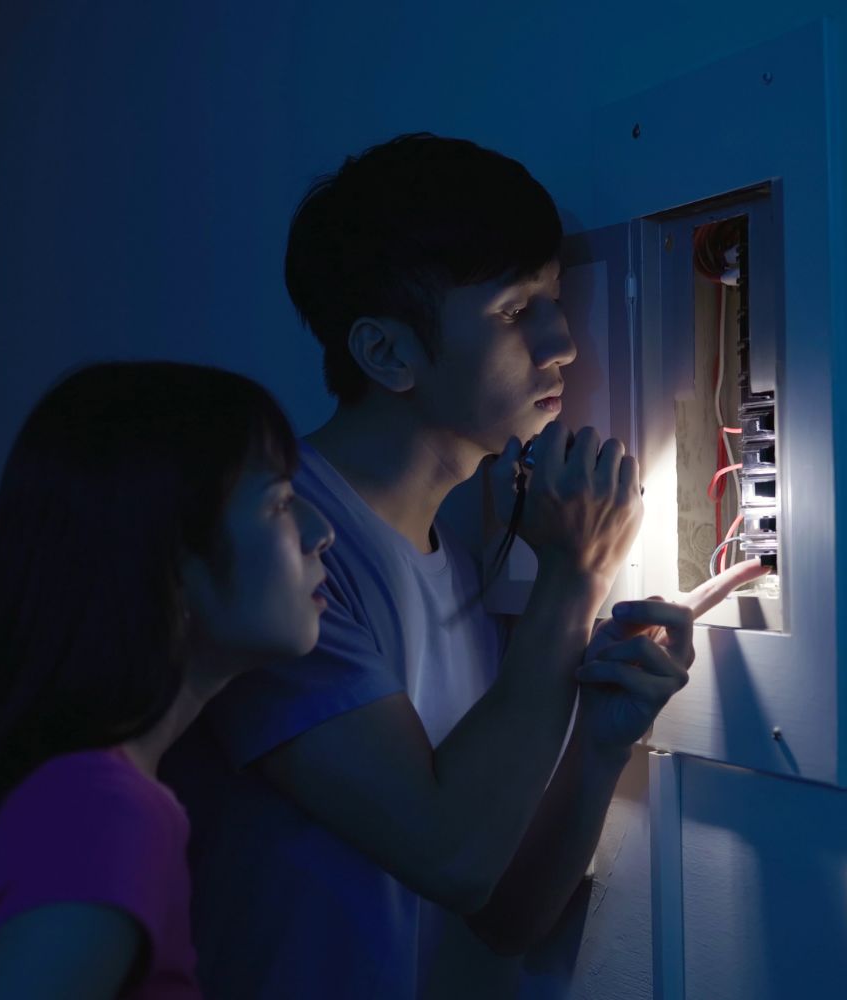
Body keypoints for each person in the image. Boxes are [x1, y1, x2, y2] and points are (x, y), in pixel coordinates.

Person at [163, 133, 769, 998]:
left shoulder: (461, 558)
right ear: (387, 355)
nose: (563, 341)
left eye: (555, 299)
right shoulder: (283, 552)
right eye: (517, 312)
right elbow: (453, 859)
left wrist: (600, 744)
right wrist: (573, 577)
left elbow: (504, 918)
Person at [0, 362, 333, 1000]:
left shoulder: (71, 790)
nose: (320, 532)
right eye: (277, 502)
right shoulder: (102, 814)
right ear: (172, 560)